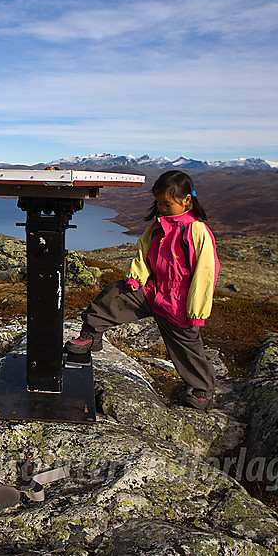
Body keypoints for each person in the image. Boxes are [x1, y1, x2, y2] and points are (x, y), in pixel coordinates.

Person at [64, 170, 220, 410]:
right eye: (158, 203)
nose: (162, 208)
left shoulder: (197, 232)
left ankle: (202, 390)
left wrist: (197, 311)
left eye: (167, 204)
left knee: (188, 348)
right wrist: (137, 278)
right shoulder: (158, 227)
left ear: (187, 200)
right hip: (151, 289)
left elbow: (205, 274)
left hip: (179, 300)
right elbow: (143, 253)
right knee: (115, 296)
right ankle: (91, 336)